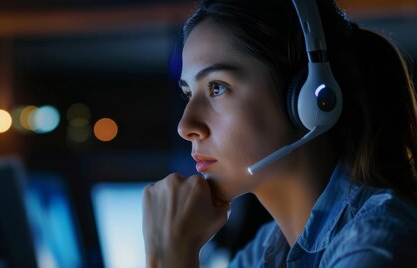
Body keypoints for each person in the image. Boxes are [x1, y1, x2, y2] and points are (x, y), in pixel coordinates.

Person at [142, 0, 417, 267]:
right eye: (188, 94)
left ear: (308, 99)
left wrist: (171, 255)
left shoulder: (379, 243)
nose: (185, 126)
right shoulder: (263, 252)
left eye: (217, 87)